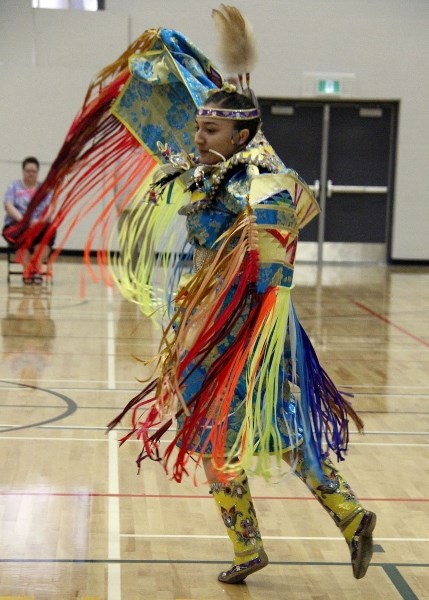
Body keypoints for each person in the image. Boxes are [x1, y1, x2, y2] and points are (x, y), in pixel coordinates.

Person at [14, 5, 376, 587]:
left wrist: (250, 338)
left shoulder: (263, 181)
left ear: (241, 133)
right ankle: (344, 517)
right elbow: (179, 169)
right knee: (271, 434)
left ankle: (285, 534)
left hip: (246, 335)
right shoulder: (216, 172)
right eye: (200, 128)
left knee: (230, 434)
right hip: (214, 325)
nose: (198, 137)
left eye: (209, 130)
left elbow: (277, 274)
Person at [3, 156, 55, 284]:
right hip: (18, 224)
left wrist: (40, 221)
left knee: (50, 231)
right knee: (20, 235)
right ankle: (28, 269)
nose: (31, 174)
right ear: (23, 171)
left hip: (39, 224)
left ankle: (36, 268)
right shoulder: (14, 186)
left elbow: (51, 208)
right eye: (28, 171)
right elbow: (8, 205)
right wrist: (23, 220)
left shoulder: (44, 189)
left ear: (37, 172)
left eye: (34, 171)